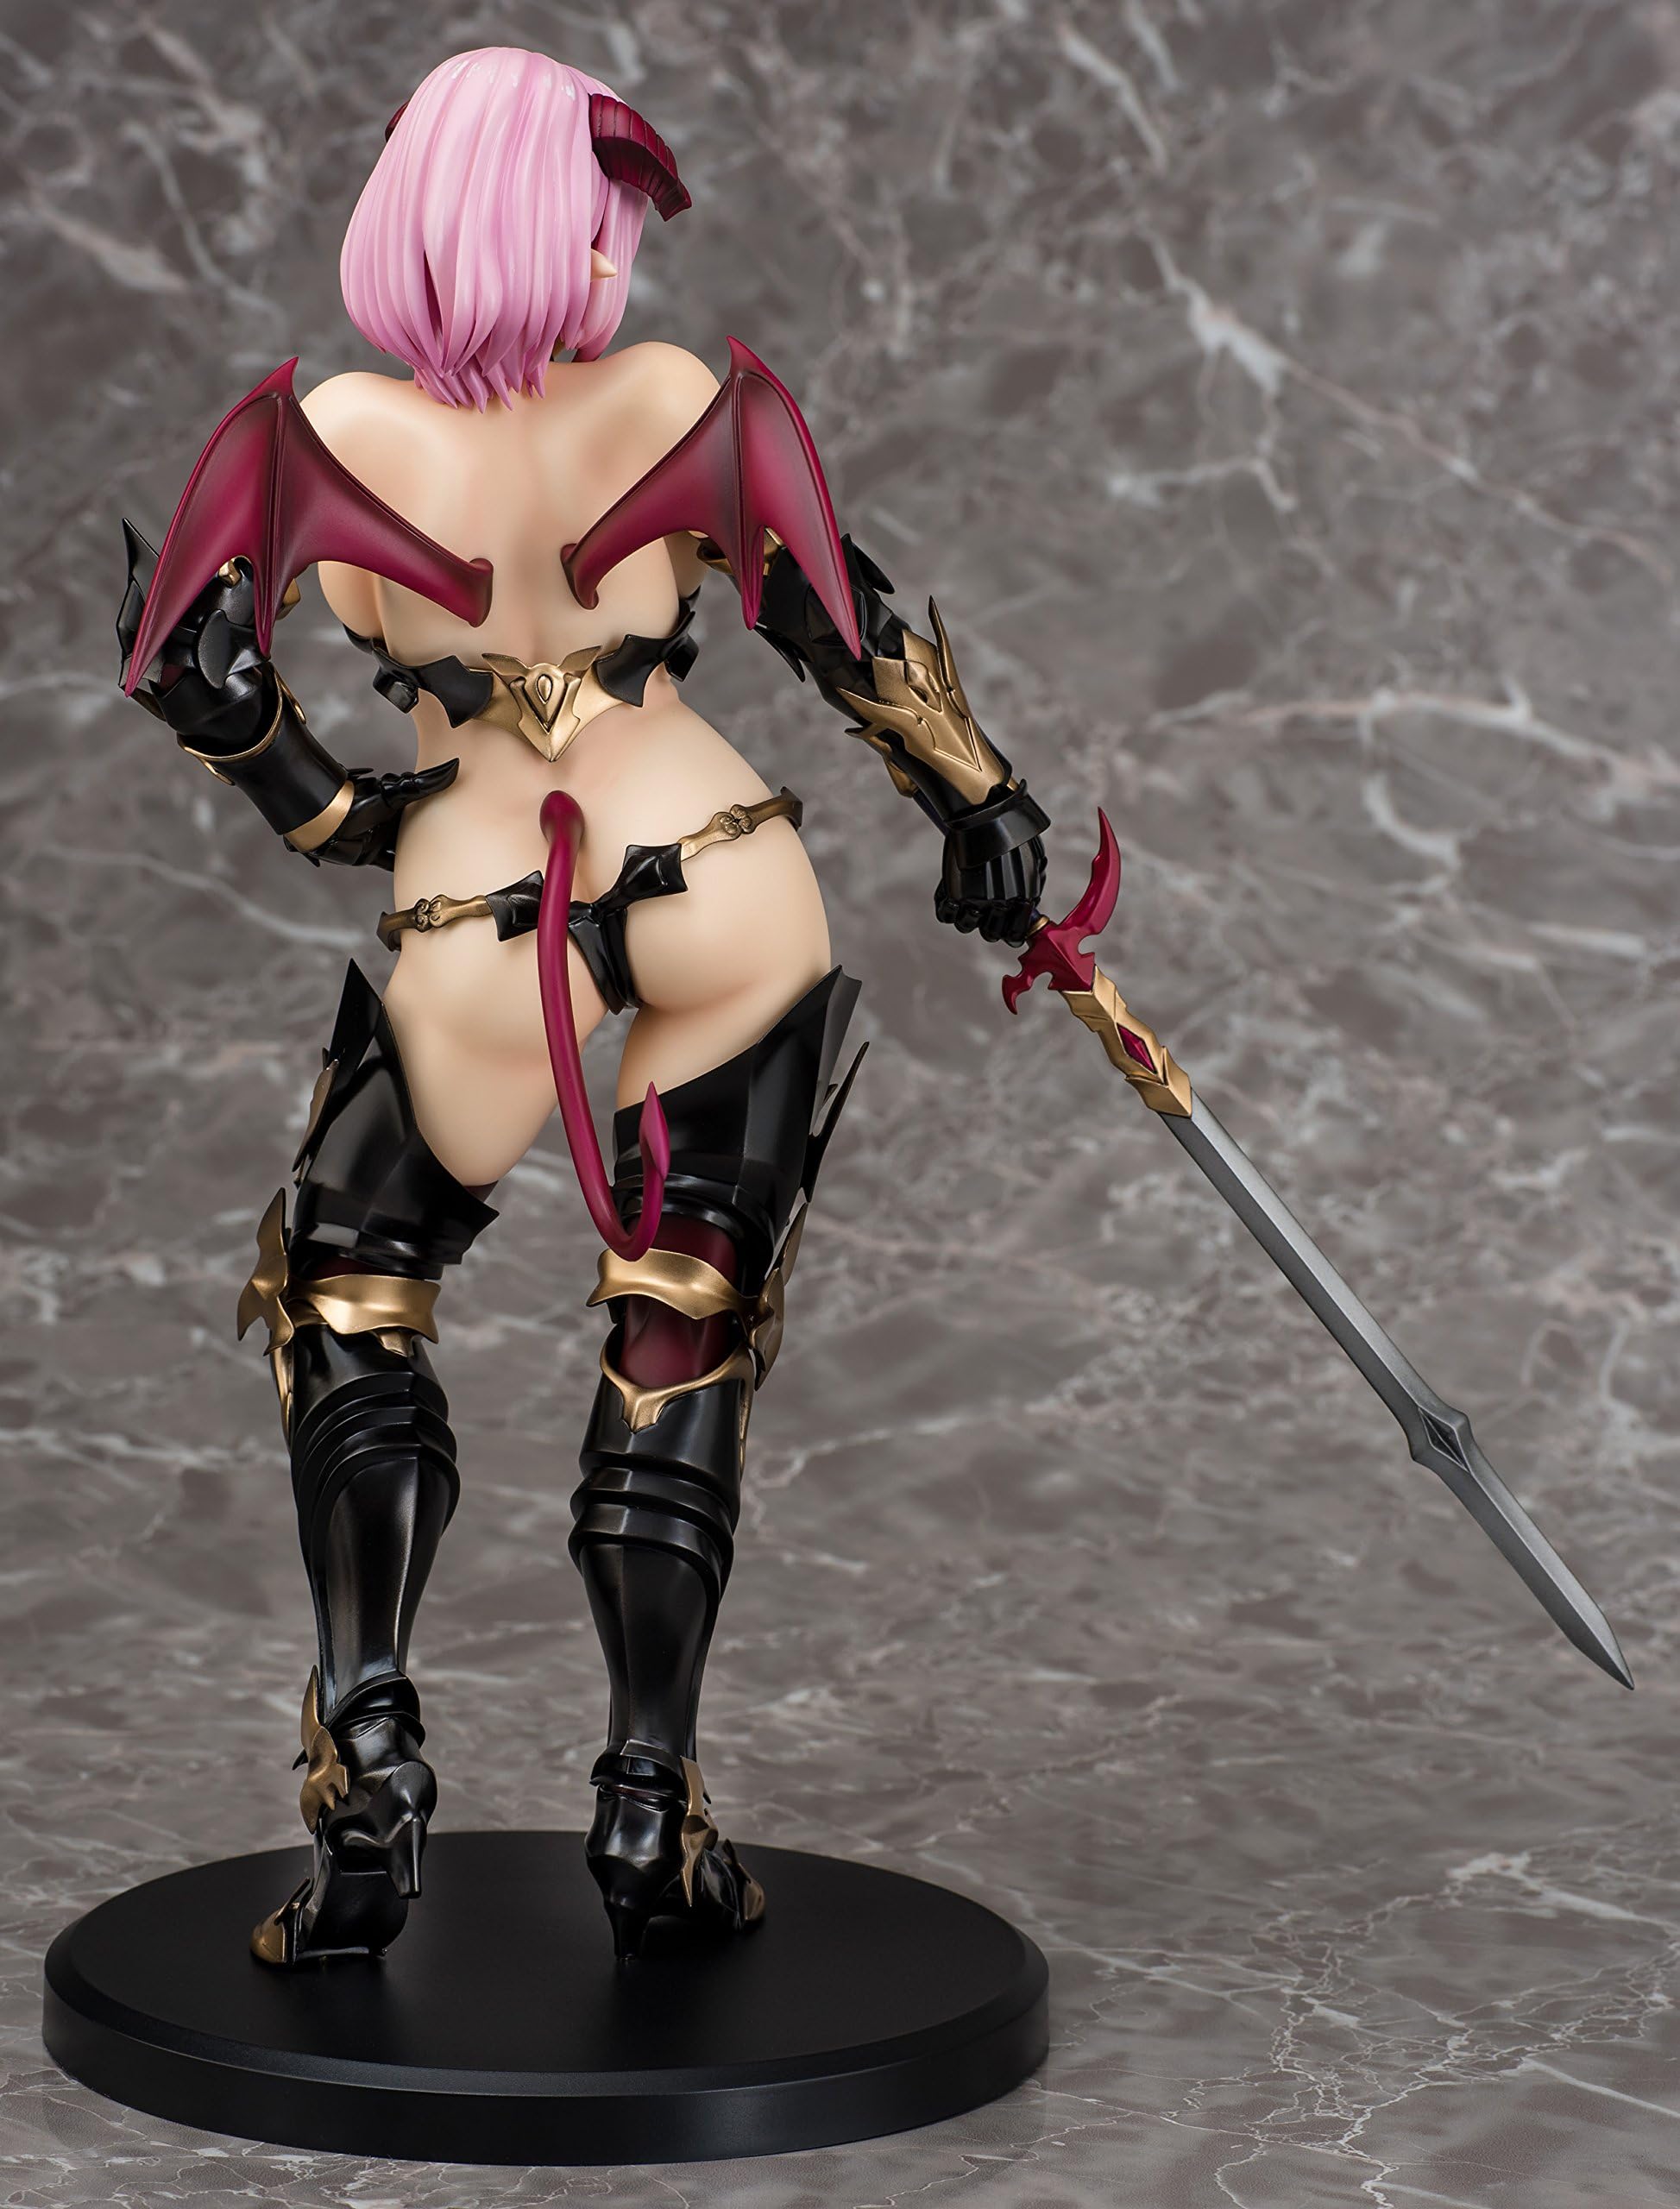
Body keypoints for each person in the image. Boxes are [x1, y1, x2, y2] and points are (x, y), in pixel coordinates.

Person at [115, 46, 1049, 1967]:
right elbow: (839, 625)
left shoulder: (324, 440)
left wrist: (338, 809)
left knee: (349, 1290)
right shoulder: (675, 402)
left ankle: (369, 1754)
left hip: (481, 906)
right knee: (682, 1317)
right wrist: (983, 805)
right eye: (602, 224)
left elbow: (195, 672)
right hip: (714, 869)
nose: (619, 263)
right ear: (535, 222)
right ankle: (647, 1799)